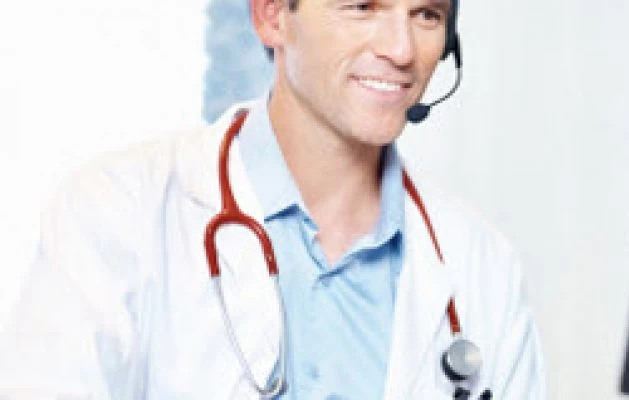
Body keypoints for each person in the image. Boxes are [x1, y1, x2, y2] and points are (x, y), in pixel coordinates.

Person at [0, 0, 545, 398]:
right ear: (272, 16)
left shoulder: (482, 266)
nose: (401, 50)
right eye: (362, 7)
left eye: (425, 15)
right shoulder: (116, 212)